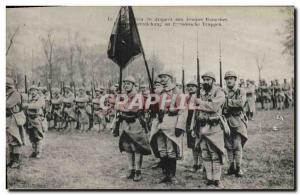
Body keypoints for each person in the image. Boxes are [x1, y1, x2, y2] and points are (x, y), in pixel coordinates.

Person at [149, 72, 187, 184]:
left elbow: (183, 111)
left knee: (171, 150)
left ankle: (172, 175)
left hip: (172, 123)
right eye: (161, 78)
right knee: (162, 149)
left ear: (170, 78)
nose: (163, 80)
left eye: (165, 77)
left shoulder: (178, 92)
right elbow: (155, 109)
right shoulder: (160, 92)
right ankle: (165, 174)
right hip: (160, 124)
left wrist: (180, 126)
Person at [194, 72, 226, 188]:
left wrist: (200, 103)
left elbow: (213, 107)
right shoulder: (201, 93)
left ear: (213, 80)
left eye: (208, 79)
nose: (205, 82)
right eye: (204, 79)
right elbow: (196, 111)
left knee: (215, 153)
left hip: (214, 126)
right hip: (202, 126)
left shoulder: (219, 92)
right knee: (205, 153)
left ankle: (216, 179)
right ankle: (209, 178)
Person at [116, 76, 151, 182]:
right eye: (125, 84)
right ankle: (130, 170)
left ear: (133, 85)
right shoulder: (124, 96)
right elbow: (118, 108)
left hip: (135, 123)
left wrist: (122, 108)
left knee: (137, 147)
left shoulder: (138, 96)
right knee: (127, 147)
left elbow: (134, 111)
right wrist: (120, 105)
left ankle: (138, 171)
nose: (126, 85)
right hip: (125, 123)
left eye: (128, 84)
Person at [223, 71, 248, 178]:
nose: (229, 80)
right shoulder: (223, 91)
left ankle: (238, 167)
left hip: (237, 120)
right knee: (228, 146)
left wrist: (227, 102)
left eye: (231, 78)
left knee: (237, 145)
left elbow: (240, 103)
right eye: (227, 79)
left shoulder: (240, 91)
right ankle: (231, 166)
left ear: (235, 80)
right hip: (226, 121)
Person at [6, 77, 26, 168]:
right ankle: (11, 160)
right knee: (10, 139)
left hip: (14, 118)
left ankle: (17, 161)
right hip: (8, 118)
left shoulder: (15, 94)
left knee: (15, 139)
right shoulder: (7, 94)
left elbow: (7, 105)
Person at [25, 85, 48, 159]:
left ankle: (39, 152)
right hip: (30, 119)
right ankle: (34, 151)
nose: (33, 92)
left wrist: (27, 105)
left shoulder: (40, 98)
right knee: (31, 137)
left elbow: (37, 106)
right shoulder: (30, 98)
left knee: (38, 136)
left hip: (37, 119)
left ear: (37, 91)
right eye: (31, 90)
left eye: (34, 90)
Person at [185, 80, 203, 172]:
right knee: (192, 144)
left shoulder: (199, 97)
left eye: (193, 86)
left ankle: (200, 164)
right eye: (189, 86)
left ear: (197, 88)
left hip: (197, 121)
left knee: (199, 144)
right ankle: (195, 164)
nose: (190, 88)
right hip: (189, 121)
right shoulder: (186, 97)